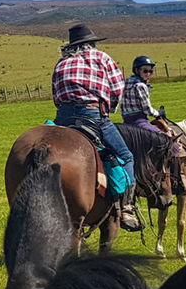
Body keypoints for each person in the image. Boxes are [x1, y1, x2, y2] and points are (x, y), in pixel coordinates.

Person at [52, 24, 142, 231]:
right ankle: (127, 206)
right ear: (91, 43)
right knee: (126, 155)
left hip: (63, 117)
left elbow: (56, 95)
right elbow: (117, 88)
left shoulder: (61, 63)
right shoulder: (101, 58)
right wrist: (108, 109)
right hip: (93, 115)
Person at [119, 55, 164, 133]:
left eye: (151, 71)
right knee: (165, 139)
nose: (148, 74)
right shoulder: (140, 86)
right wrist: (158, 113)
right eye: (145, 71)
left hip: (126, 122)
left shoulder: (124, 83)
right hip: (139, 121)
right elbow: (147, 109)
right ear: (137, 70)